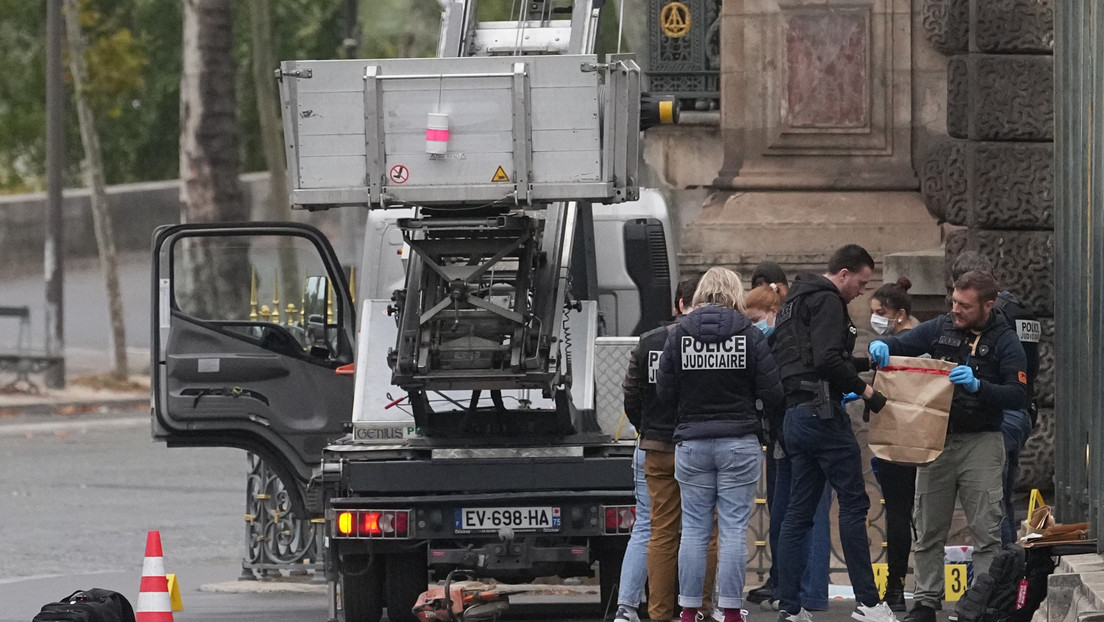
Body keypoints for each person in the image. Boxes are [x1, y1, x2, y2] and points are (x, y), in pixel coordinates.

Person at [868, 270, 1028, 622]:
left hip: (982, 442)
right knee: (928, 528)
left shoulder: (1005, 341)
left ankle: (983, 602)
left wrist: (978, 386)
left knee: (986, 530)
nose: (956, 310)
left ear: (988, 305)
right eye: (953, 301)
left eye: (965, 305)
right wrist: (883, 347)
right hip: (936, 440)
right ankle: (925, 602)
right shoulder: (942, 327)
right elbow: (903, 344)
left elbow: (1018, 395)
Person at [771, 244, 898, 622]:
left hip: (795, 416)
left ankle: (789, 608)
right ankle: (870, 604)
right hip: (824, 415)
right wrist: (868, 392)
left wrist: (861, 362)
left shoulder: (792, 304)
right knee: (854, 504)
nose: (862, 290)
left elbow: (810, 357)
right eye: (861, 282)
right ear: (843, 274)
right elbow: (827, 359)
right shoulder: (827, 301)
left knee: (798, 514)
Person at [656, 267, 784, 622]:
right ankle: (730, 611)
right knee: (732, 530)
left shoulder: (679, 333)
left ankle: (688, 610)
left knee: (694, 529)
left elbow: (663, 392)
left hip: (692, 443)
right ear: (734, 293)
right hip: (739, 443)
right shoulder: (749, 334)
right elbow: (773, 392)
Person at [623, 275, 719, 622]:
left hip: (657, 446)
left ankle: (658, 613)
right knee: (704, 531)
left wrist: (647, 429)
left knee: (660, 531)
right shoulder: (710, 342)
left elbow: (631, 396)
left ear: (679, 304)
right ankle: (699, 610)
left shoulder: (648, 342)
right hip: (699, 444)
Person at [744, 281, 833, 613]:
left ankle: (806, 593)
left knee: (804, 514)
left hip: (795, 432)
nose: (753, 327)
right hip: (789, 435)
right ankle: (793, 590)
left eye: (755, 319)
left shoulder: (784, 342)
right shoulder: (788, 339)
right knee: (792, 514)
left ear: (773, 313)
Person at [950, 251, 1040, 545]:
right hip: (1022, 410)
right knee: (1002, 499)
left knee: (989, 504)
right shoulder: (1022, 311)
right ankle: (1007, 577)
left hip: (995, 410)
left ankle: (990, 581)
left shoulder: (994, 318)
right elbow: (1033, 367)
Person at [867, 277, 918, 611]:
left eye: (879, 312)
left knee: (899, 515)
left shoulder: (900, 345)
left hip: (900, 438)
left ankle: (896, 587)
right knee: (920, 516)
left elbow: (883, 396)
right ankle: (924, 588)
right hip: (923, 437)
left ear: (898, 314)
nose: (875, 319)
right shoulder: (924, 337)